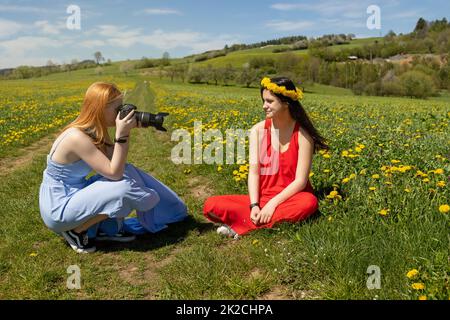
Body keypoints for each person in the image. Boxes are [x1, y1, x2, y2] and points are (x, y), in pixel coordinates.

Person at [39, 82, 187, 253]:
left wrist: (126, 131)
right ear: (100, 108)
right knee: (123, 188)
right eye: (118, 109)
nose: (121, 114)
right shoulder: (76, 137)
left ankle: (108, 229)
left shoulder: (95, 130)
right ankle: (76, 231)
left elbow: (118, 165)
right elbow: (114, 173)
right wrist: (122, 134)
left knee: (129, 172)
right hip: (60, 207)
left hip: (75, 195)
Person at [203, 77, 328, 238]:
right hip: (262, 199)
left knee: (309, 203)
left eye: (269, 101)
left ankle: (241, 226)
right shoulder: (257, 131)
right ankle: (255, 221)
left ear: (286, 103)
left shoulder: (303, 135)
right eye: (263, 100)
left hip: (291, 199)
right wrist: (254, 205)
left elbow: (300, 182)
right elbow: (254, 173)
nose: (264, 106)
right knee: (211, 205)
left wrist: (272, 205)